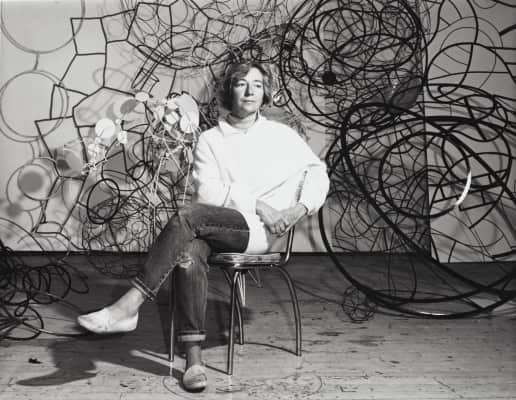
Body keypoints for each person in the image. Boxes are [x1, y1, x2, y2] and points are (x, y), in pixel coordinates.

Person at [77, 61, 330, 392]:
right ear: (229, 91)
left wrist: (298, 209)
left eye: (257, 84)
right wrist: (259, 204)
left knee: (188, 216)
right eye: (241, 83)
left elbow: (318, 174)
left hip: (256, 233)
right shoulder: (210, 140)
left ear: (265, 93)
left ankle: (130, 304)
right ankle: (194, 360)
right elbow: (208, 193)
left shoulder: (280, 136)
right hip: (213, 226)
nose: (250, 91)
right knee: (188, 254)